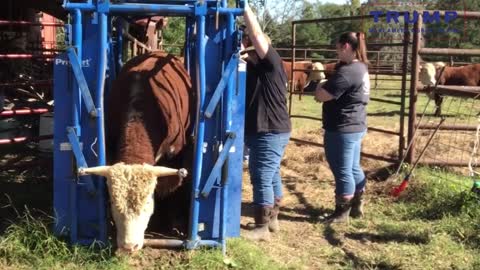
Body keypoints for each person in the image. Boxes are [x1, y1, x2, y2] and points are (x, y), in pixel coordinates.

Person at [241, 5, 291, 241]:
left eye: (249, 47)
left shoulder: (271, 63)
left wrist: (245, 9)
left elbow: (258, 35)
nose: (246, 51)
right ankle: (273, 220)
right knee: (271, 175)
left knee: (261, 175)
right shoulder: (255, 69)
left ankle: (261, 227)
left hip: (270, 129)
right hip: (266, 129)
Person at [314, 32, 370, 224]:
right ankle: (357, 202)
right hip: (355, 124)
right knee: (352, 166)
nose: (336, 51)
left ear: (346, 47)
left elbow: (323, 95)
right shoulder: (360, 68)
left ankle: (342, 211)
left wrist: (320, 86)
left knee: (342, 168)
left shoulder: (347, 72)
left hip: (343, 127)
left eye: (337, 47)